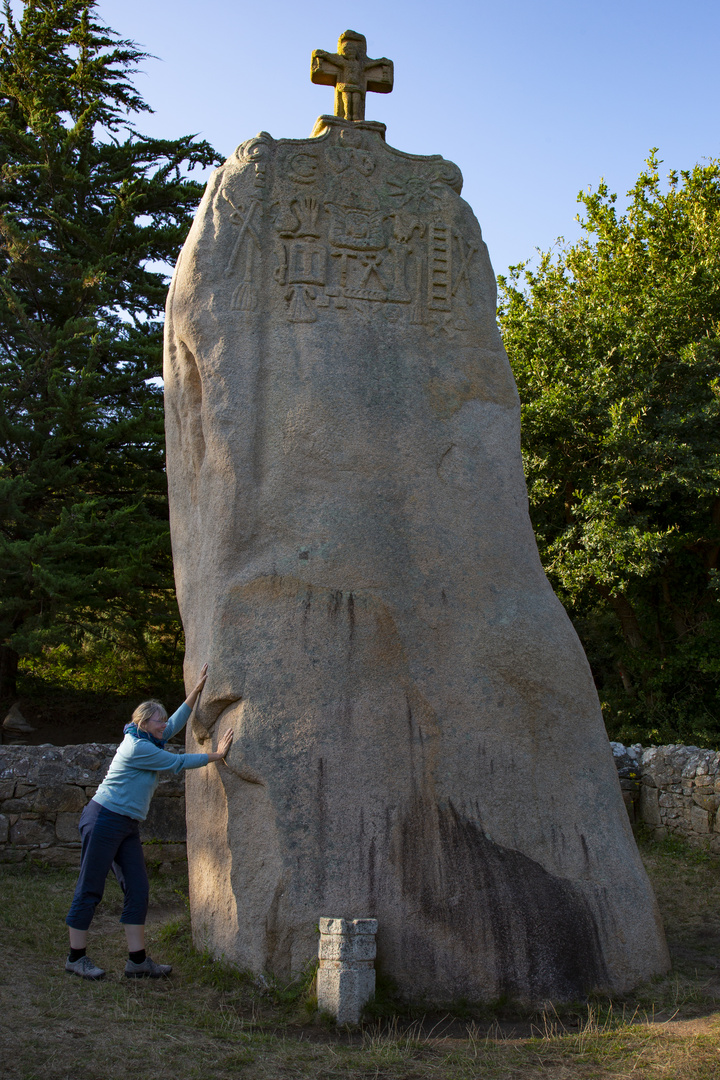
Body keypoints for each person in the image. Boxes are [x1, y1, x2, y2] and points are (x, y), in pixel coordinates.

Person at [64, 663, 232, 980]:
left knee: (139, 889)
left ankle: (137, 962)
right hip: (103, 818)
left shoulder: (150, 738)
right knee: (90, 888)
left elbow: (176, 723)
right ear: (143, 722)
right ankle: (76, 958)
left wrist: (196, 690)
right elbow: (177, 762)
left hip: (127, 824)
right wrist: (216, 754)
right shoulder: (139, 748)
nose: (163, 725)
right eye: (158, 721)